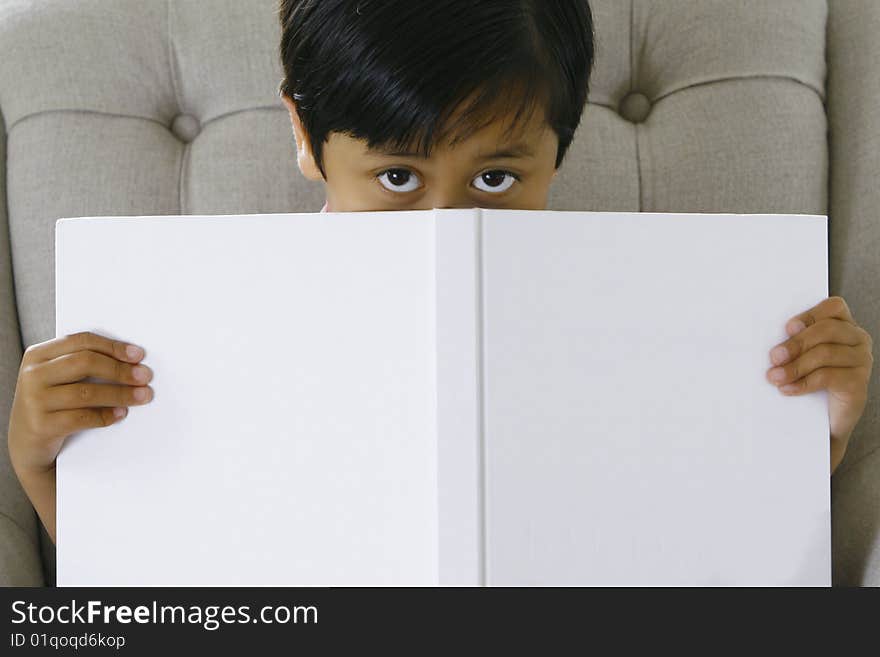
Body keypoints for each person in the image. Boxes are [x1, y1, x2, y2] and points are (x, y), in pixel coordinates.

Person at [6, 0, 874, 548]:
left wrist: (814, 428)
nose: (445, 223)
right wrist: (41, 462)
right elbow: (142, 586)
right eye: (397, 178)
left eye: (496, 179)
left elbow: (718, 538)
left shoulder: (647, 313)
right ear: (305, 139)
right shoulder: (198, 322)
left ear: (559, 151)